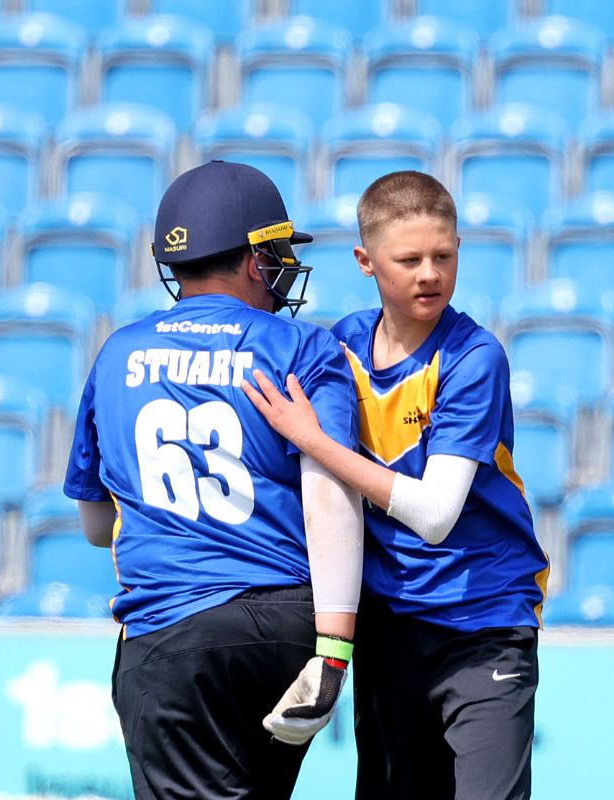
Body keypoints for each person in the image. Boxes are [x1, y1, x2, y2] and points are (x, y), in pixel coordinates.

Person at [62, 160, 367, 799]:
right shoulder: (302, 348)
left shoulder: (117, 351)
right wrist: (335, 650)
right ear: (256, 260)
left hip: (169, 629)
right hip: (285, 626)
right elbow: (331, 501)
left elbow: (96, 524)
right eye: (278, 249)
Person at [241, 170, 547, 799]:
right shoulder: (338, 345)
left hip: (483, 619)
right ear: (365, 261)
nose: (428, 273)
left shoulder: (473, 357)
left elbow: (435, 514)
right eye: (408, 260)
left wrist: (315, 441)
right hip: (388, 626)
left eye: (443, 255)